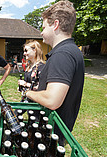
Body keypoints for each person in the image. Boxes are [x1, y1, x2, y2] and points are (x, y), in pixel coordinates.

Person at [25, 0, 85, 146]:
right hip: (57, 133)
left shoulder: (62, 54)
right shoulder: (71, 51)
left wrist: (28, 93)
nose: (41, 32)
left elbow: (52, 100)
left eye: (44, 27)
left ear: (56, 25)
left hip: (50, 136)